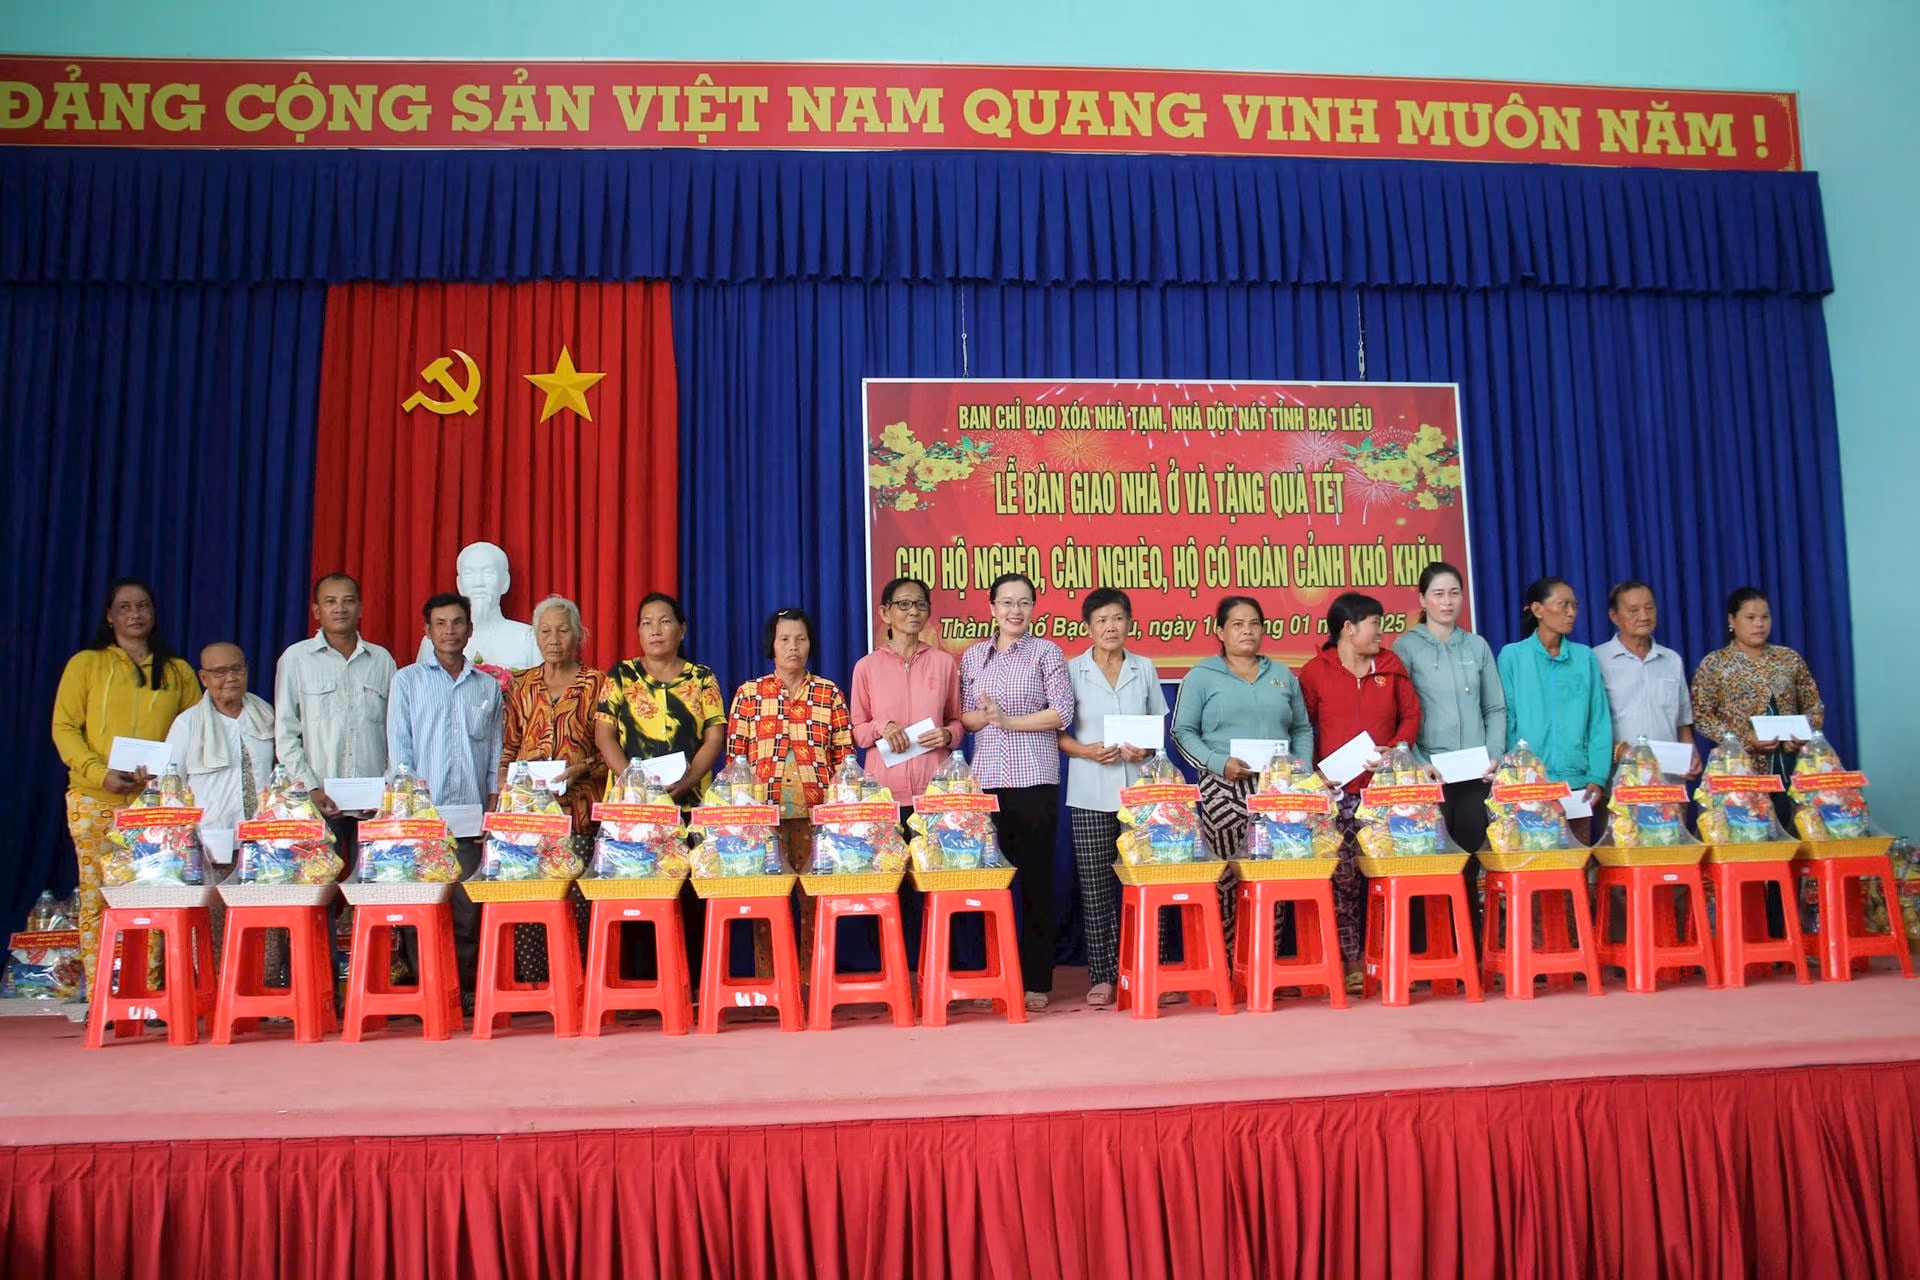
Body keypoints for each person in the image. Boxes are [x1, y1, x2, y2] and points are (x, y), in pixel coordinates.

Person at [50, 578, 201, 993]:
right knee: (97, 896)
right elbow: (64, 728)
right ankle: (102, 994)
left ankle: (147, 991)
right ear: (109, 616)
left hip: (155, 806)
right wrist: (100, 773)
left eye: (143, 606)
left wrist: (166, 778)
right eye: (125, 607)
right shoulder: (86, 664)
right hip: (94, 798)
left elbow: (194, 733)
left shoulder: (178, 671)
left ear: (154, 613)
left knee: (155, 896)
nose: (135, 614)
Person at [1171, 596, 1313, 962]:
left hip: (1277, 792)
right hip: (1223, 789)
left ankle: (1265, 964)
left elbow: (1302, 728)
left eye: (1254, 624)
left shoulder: (1282, 674)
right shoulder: (1202, 676)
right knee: (1226, 880)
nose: (1247, 631)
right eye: (1237, 624)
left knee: (1273, 877)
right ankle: (1228, 966)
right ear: (1220, 631)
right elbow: (1182, 731)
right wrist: (1219, 763)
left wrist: (1300, 771)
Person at [594, 592, 727, 983]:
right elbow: (604, 736)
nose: (655, 630)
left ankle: (693, 986)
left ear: (681, 629)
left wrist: (685, 784)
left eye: (665, 621)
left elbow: (714, 737)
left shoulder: (701, 678)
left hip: (690, 804)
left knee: (690, 897)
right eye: (647, 622)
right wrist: (638, 787)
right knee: (637, 895)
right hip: (633, 811)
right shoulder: (621, 676)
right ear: (638, 631)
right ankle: (640, 986)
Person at [959, 574, 1075, 1011]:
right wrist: (985, 715)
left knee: (1036, 882)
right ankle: (996, 976)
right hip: (987, 781)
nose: (1015, 611)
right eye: (1006, 602)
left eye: (1024, 602)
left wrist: (1008, 720)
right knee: (989, 883)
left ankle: (1035, 981)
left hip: (1034, 780)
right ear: (991, 608)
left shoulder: (1046, 652)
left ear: (1033, 609)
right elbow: (966, 718)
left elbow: (1061, 713)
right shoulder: (974, 656)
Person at [1297, 592, 1421, 987]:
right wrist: (1314, 773)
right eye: (1374, 624)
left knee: (1391, 879)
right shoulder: (1314, 672)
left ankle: (1391, 960)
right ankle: (1351, 964)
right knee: (1344, 882)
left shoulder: (1391, 666)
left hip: (1385, 794)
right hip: (1338, 795)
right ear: (1348, 628)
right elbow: (1302, 727)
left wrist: (1396, 749)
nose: (1380, 633)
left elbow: (1411, 715)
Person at [388, 592, 505, 1004]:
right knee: (422, 906)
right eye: (440, 624)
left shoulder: (487, 686)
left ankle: (464, 990)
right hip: (423, 814)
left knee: (467, 906)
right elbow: (399, 751)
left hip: (471, 813)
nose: (449, 631)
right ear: (427, 631)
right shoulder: (407, 681)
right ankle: (428, 989)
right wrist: (408, 808)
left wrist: (493, 801)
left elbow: (495, 751)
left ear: (470, 630)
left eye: (457, 623)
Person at [1057, 588, 1168, 1007]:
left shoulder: (1145, 667)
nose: (1110, 627)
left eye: (1118, 618)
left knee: (1147, 882)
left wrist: (1146, 750)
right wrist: (1086, 751)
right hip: (1089, 790)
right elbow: (1059, 735)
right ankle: (1104, 975)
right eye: (1102, 620)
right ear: (1087, 626)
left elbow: (1157, 730)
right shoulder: (1071, 670)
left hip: (1140, 792)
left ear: (1129, 623)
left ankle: (1149, 969)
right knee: (1096, 887)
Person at [498, 596, 607, 982]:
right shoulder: (521, 684)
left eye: (563, 630)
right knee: (531, 904)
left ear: (579, 635)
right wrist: (503, 786)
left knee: (577, 905)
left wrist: (582, 768)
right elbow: (510, 746)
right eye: (545, 631)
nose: (554, 639)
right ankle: (536, 986)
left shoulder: (597, 683)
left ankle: (578, 984)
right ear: (535, 635)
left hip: (578, 813)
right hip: (529, 820)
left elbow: (609, 751)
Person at [1394, 563, 1505, 931]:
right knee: (1430, 862)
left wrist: (1494, 754)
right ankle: (1427, 946)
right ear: (1422, 599)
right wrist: (1417, 761)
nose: (1447, 602)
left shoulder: (1476, 645)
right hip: (1431, 775)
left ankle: (1469, 943)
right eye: (1438, 594)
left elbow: (1495, 708)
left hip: (1475, 774)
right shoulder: (1406, 647)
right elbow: (1401, 713)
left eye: (1454, 593)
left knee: (1470, 861)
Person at [275, 572, 396, 887]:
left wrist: (386, 788)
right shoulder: (296, 659)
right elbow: (286, 733)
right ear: (317, 611)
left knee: (374, 887)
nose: (340, 608)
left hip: (372, 803)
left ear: (361, 608)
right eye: (330, 602)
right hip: (318, 800)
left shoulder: (381, 660)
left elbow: (395, 731)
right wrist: (309, 789)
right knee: (318, 889)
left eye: (348, 601)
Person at [164, 643, 276, 966]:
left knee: (266, 928)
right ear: (203, 678)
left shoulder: (265, 715)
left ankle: (262, 989)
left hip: (263, 843)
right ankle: (215, 990)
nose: (230, 678)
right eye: (219, 672)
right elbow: (169, 784)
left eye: (236, 669)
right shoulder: (187, 724)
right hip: (212, 843)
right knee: (214, 928)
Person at [1496, 578, 1612, 843]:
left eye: (1574, 606)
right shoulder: (1512, 656)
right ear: (1538, 610)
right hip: (1528, 783)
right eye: (1563, 605)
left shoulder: (1584, 657)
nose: (1571, 613)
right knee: (1533, 857)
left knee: (1576, 858)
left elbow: (1598, 720)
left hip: (1577, 783)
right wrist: (1516, 773)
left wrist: (1597, 775)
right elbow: (1507, 718)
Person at [1690, 585, 1826, 801]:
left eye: (1765, 617)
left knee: (1800, 816)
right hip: (1740, 768)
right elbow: (1701, 716)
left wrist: (1804, 733)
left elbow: (1813, 706)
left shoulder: (1788, 658)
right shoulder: (1715, 663)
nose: (1759, 624)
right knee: (1749, 818)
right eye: (1750, 617)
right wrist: (1744, 739)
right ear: (1732, 620)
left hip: (1794, 763)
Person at [848, 577, 963, 802]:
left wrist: (948, 735)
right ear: (885, 613)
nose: (914, 611)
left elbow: (956, 721)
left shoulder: (943, 663)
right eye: (904, 604)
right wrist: (882, 727)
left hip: (935, 789)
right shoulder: (866, 666)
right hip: (883, 793)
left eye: (921, 605)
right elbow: (858, 733)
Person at [1595, 580, 1699, 776]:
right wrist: (1620, 751)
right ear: (1614, 616)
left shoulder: (1671, 660)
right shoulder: (1596, 660)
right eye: (1633, 610)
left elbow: (1682, 720)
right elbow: (1589, 725)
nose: (1644, 616)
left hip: (1669, 778)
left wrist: (1691, 753)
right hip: (1621, 778)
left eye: (1649, 608)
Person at [414, 541, 540, 671]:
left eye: (488, 573)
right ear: (459, 584)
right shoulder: (433, 641)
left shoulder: (528, 638)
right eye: (469, 574)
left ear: (505, 582)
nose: (478, 583)